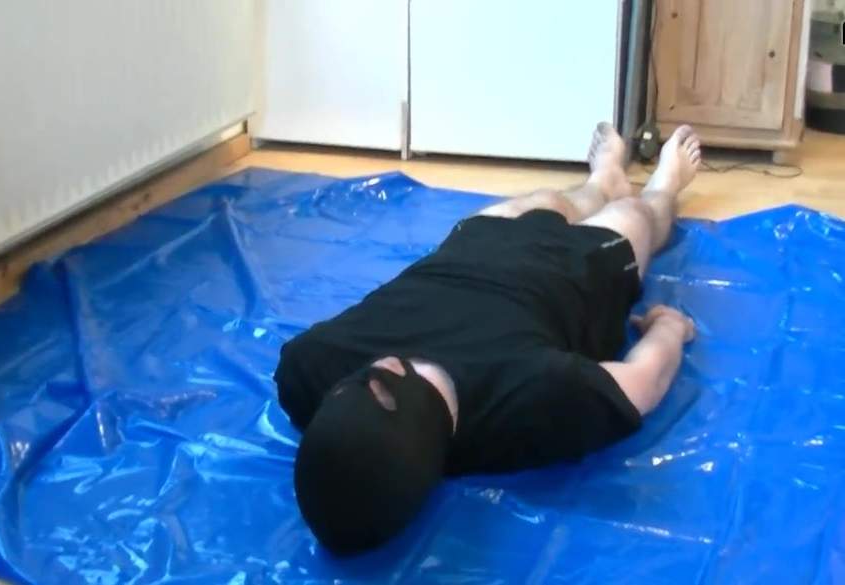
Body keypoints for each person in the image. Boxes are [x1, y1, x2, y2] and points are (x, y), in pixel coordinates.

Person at [275, 123, 702, 555]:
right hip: (580, 270)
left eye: (348, 387)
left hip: (473, 250)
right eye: (382, 390)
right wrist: (669, 328)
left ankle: (603, 180)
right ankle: (665, 185)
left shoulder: (313, 366)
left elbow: (325, 395)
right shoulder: (529, 401)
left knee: (548, 201)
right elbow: (643, 381)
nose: (379, 365)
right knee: (635, 214)